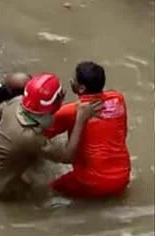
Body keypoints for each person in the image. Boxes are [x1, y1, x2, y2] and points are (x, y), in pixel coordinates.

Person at [0, 73, 101, 200]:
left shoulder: (15, 104)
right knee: (38, 195)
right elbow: (68, 156)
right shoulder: (31, 138)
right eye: (61, 95)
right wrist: (81, 120)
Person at [44, 62, 131, 199]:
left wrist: (55, 106)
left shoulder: (70, 111)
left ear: (82, 88)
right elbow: (123, 133)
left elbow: (39, 135)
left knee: (49, 191)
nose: (71, 81)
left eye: (74, 79)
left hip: (93, 182)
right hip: (123, 177)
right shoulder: (118, 99)